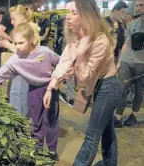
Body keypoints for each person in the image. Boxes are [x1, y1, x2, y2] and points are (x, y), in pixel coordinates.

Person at [44, 1, 123, 165]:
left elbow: (86, 76)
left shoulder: (100, 40)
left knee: (92, 135)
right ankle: (111, 162)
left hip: (109, 87)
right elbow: (64, 61)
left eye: (74, 12)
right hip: (98, 86)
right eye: (68, 12)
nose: (67, 17)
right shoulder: (75, 36)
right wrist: (51, 87)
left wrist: (80, 55)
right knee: (106, 130)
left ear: (86, 15)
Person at [0, 23, 60, 161]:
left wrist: (56, 81)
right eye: (15, 43)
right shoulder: (15, 60)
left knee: (51, 120)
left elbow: (61, 64)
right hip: (34, 90)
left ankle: (52, 151)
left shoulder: (44, 52)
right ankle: (38, 151)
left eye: (21, 43)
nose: (17, 47)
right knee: (36, 122)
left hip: (50, 89)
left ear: (32, 40)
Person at [0, 5, 41, 117]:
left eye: (14, 19)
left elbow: (28, 55)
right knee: (17, 99)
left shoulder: (30, 31)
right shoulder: (23, 30)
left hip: (25, 74)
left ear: (22, 18)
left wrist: (9, 45)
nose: (11, 22)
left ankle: (22, 128)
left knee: (21, 103)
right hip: (20, 72)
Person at [114, 0, 144, 128]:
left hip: (142, 63)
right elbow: (127, 43)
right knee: (122, 88)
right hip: (127, 61)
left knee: (139, 91)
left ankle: (134, 115)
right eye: (136, 5)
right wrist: (119, 62)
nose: (138, 8)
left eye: (141, 5)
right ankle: (118, 116)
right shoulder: (133, 24)